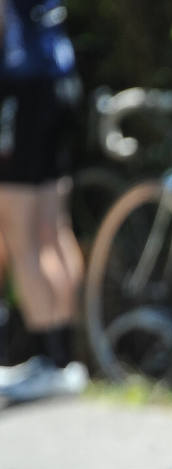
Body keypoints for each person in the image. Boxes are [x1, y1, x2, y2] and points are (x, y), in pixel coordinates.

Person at [0, 0, 88, 402]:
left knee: (22, 236)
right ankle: (62, 357)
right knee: (52, 229)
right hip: (59, 78)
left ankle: (50, 360)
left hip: (24, 86)